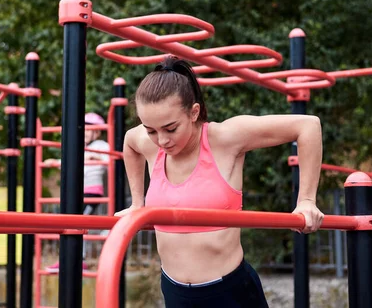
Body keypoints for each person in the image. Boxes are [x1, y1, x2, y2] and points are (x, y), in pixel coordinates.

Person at [115, 56, 324, 307]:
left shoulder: (225, 138)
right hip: (175, 292)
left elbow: (308, 126)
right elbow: (129, 142)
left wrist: (307, 200)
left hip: (230, 293)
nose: (161, 140)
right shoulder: (149, 143)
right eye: (151, 130)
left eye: (171, 129)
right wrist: (138, 204)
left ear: (194, 112)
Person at [45, 112, 110, 273]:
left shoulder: (100, 145)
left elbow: (109, 160)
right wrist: (55, 162)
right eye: (84, 130)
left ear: (97, 132)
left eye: (90, 130)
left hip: (93, 193)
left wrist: (97, 157)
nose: (86, 133)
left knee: (79, 223)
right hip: (77, 193)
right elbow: (70, 161)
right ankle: (66, 258)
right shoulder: (78, 147)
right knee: (68, 223)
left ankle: (79, 260)